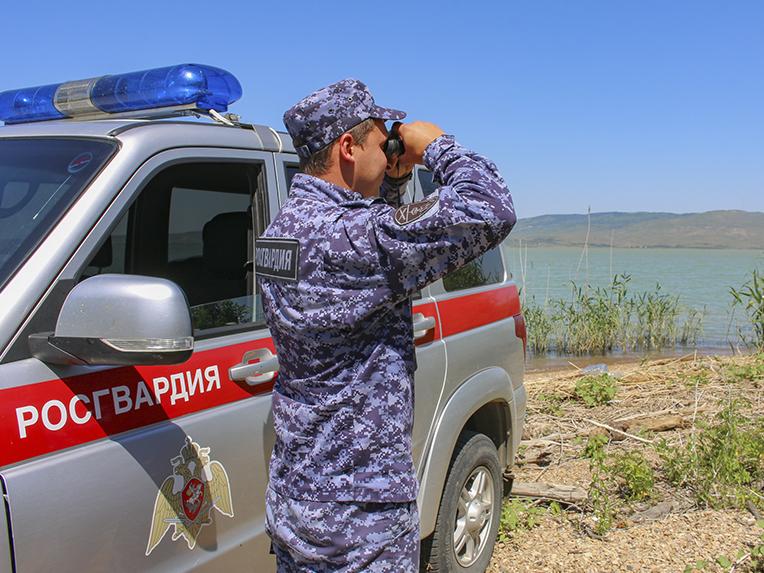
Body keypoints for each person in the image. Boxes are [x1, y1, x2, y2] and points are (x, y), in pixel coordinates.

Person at [257, 78, 516, 572]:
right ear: (348, 147)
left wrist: (393, 181)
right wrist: (437, 147)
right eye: (382, 137)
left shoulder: (284, 232)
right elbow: (490, 208)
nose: (390, 144)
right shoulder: (347, 241)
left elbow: (378, 255)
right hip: (359, 513)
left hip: (300, 492)